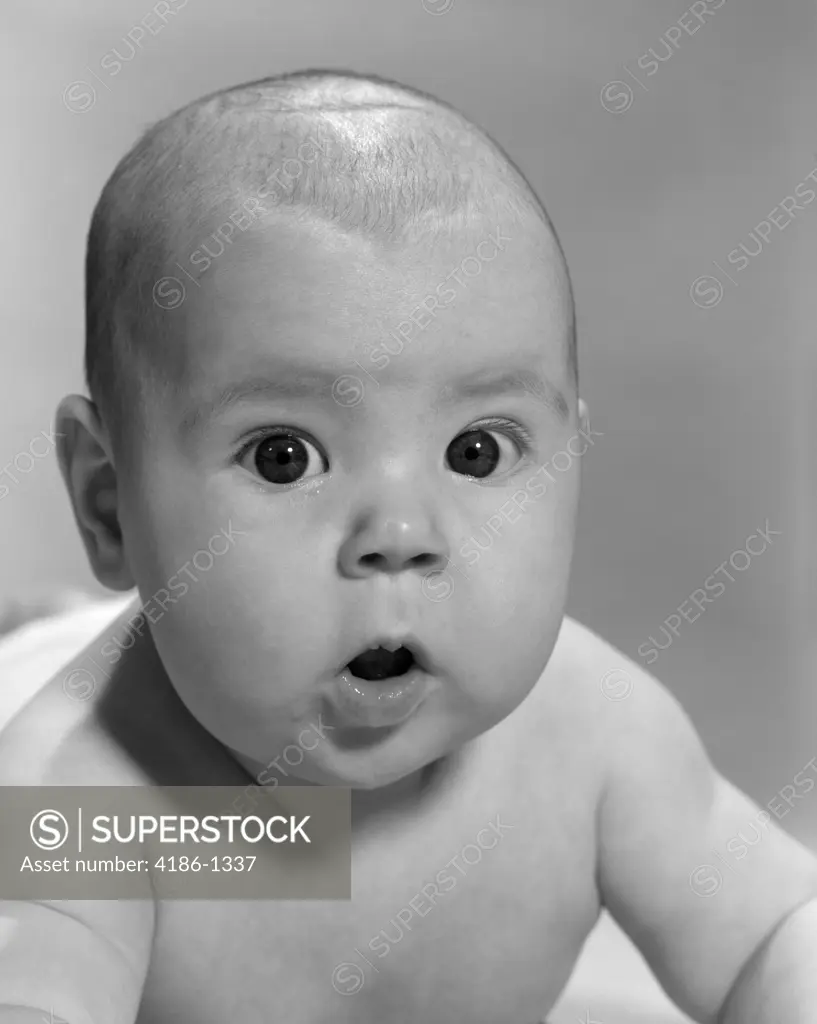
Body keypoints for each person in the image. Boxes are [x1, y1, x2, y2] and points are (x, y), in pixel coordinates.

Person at [1, 70, 815, 1024]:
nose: (399, 537)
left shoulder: (593, 740)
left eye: (475, 452)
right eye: (283, 456)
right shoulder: (94, 793)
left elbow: (775, 932)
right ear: (109, 506)